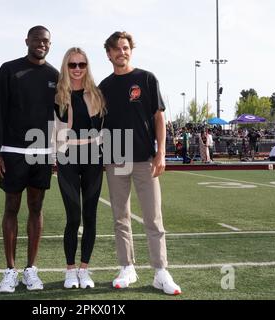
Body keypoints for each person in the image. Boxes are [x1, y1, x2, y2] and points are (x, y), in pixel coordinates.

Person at [99, 31, 181, 295]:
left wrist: (161, 154)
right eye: (116, 49)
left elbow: (159, 117)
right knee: (120, 218)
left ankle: (160, 271)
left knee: (153, 218)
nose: (121, 52)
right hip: (116, 160)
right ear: (109, 54)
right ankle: (127, 267)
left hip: (145, 159)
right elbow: (101, 125)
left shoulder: (146, 78)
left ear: (130, 50)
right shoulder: (104, 86)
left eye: (125, 48)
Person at [0, 26, 59, 293]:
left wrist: (57, 151)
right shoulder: (9, 70)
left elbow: (62, 116)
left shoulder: (55, 75)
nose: (42, 44)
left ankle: (31, 269)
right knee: (11, 207)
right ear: (27, 41)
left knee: (37, 208)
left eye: (47, 41)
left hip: (42, 153)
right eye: (38, 40)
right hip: (13, 152)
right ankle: (9, 270)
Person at [54, 47, 106, 289]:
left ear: (87, 67)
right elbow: (50, 129)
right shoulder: (57, 95)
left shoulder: (96, 94)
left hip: (93, 157)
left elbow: (106, 127)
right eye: (72, 64)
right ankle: (70, 270)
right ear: (66, 66)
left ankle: (84, 269)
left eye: (81, 64)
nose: (77, 69)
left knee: (90, 216)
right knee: (73, 216)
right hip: (67, 157)